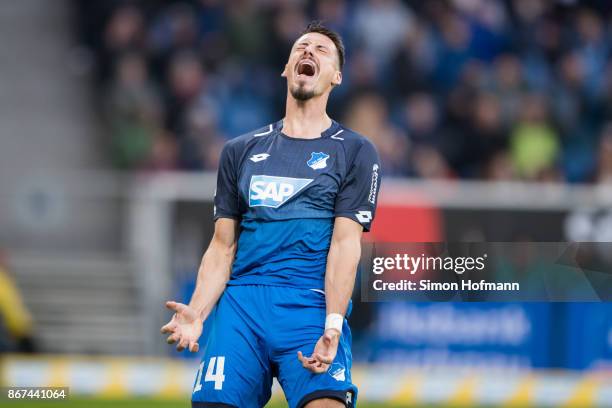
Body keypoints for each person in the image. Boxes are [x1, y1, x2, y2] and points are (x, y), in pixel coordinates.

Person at [161, 21, 381, 408]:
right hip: (242, 307)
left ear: (336, 76)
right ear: (286, 68)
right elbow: (222, 247)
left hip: (309, 303)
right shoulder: (239, 150)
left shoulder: (355, 152)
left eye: (321, 50)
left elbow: (346, 246)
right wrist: (197, 311)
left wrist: (332, 323)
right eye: (301, 47)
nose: (309, 52)